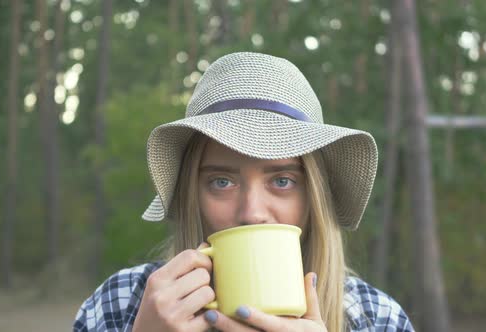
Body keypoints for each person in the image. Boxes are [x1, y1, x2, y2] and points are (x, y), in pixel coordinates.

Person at [73, 52, 414, 332]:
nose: (252, 212)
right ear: (192, 195)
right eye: (222, 182)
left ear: (313, 199)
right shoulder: (120, 304)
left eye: (282, 181)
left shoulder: (376, 317)